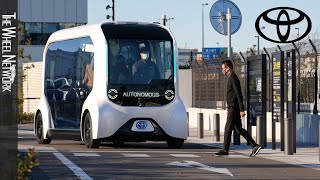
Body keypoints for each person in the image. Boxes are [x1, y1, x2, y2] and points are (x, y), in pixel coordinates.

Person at [214, 60, 261, 157]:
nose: (223, 70)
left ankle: (225, 150)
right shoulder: (230, 77)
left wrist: (241, 109)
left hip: (234, 108)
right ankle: (255, 145)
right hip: (232, 107)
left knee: (227, 128)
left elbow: (238, 94)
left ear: (228, 68)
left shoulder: (233, 78)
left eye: (223, 68)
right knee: (238, 129)